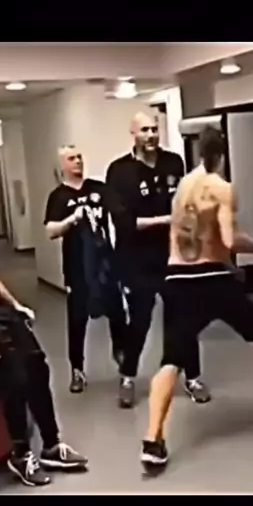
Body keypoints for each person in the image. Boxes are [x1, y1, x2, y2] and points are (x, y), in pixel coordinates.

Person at [140, 127, 253, 470]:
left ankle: (153, 439)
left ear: (201, 154)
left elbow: (179, 235)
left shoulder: (183, 187)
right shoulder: (221, 187)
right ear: (221, 156)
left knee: (171, 360)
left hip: (177, 278)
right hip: (213, 279)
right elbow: (228, 240)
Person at [0, 208, 87, 487]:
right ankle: (20, 454)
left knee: (37, 366)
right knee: (15, 378)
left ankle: (51, 446)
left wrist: (15, 305)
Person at [105, 112, 211, 409]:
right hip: (136, 260)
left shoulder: (173, 163)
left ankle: (193, 377)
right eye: (145, 130)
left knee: (183, 317)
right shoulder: (119, 171)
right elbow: (125, 223)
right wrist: (167, 219)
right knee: (140, 320)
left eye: (154, 129)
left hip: (174, 255)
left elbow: (184, 204)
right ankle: (128, 377)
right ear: (133, 133)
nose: (151, 135)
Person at [44, 146, 128, 393]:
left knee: (117, 314)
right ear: (62, 166)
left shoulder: (99, 189)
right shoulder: (59, 196)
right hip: (77, 268)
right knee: (77, 320)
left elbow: (120, 212)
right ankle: (77, 369)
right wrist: (72, 219)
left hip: (105, 265)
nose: (78, 161)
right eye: (72, 158)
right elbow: (51, 231)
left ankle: (123, 358)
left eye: (79, 157)